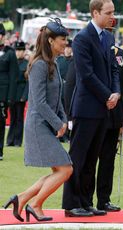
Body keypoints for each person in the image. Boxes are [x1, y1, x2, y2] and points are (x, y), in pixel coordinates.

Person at [3, 18, 73, 222]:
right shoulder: (39, 65)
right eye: (62, 39)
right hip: (37, 125)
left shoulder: (54, 64)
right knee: (66, 169)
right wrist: (58, 123)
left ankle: (22, 198)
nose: (65, 44)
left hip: (47, 125)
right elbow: (40, 103)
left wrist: (62, 119)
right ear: (50, 40)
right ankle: (35, 204)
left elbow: (57, 97)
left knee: (58, 169)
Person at [62, 0, 120, 217]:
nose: (112, 16)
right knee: (78, 157)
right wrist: (108, 95)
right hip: (86, 108)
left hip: (103, 108)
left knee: (92, 158)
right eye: (108, 12)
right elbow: (86, 75)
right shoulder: (82, 39)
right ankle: (71, 203)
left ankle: (86, 201)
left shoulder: (108, 37)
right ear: (95, 13)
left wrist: (116, 93)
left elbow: (114, 68)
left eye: (113, 12)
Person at [93, 18, 123, 212]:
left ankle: (104, 200)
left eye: (111, 31)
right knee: (89, 160)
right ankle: (85, 200)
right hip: (93, 113)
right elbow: (75, 82)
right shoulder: (90, 49)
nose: (109, 34)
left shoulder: (121, 55)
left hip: (114, 115)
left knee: (108, 161)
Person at [0, 23, 18, 160]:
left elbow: (14, 77)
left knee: (1, 122)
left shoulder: (10, 53)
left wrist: (10, 98)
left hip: (3, 94)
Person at [6, 41, 29, 147]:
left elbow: (28, 82)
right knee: (12, 118)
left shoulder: (27, 64)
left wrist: (24, 96)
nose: (19, 52)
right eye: (17, 50)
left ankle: (18, 141)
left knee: (19, 118)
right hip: (12, 93)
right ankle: (10, 140)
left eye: (21, 50)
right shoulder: (12, 63)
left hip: (20, 94)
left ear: (24, 51)